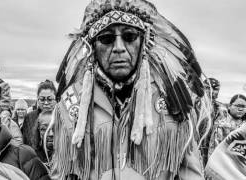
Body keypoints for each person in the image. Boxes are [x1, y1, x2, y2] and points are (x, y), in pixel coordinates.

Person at [51, 0, 210, 179]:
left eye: (129, 36)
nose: (119, 48)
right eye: (107, 39)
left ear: (143, 42)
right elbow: (62, 173)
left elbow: (190, 173)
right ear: (93, 47)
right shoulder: (71, 104)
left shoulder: (173, 102)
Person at [22, 80, 56, 165]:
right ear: (37, 99)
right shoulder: (29, 117)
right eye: (42, 99)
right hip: (35, 162)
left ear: (56, 98)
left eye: (49, 99)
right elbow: (25, 143)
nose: (46, 103)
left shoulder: (61, 117)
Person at [198, 78, 227, 166]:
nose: (211, 91)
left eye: (215, 89)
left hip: (213, 146)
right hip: (196, 144)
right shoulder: (194, 105)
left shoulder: (222, 108)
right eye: (207, 87)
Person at [208, 94, 246, 158]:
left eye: (243, 106)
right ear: (230, 106)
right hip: (225, 162)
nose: (240, 109)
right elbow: (214, 149)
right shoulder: (221, 124)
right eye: (238, 106)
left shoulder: (244, 125)